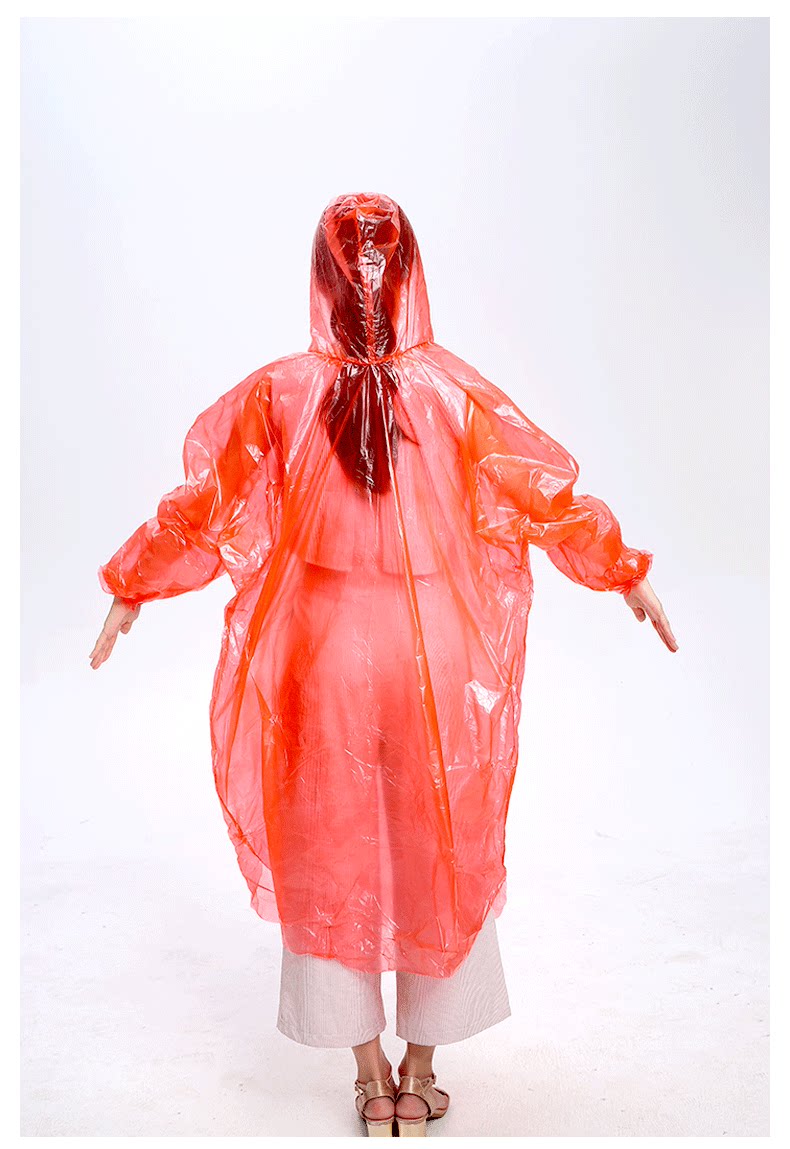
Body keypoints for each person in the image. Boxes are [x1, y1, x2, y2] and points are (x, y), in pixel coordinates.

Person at [90, 191, 678, 1137]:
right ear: (409, 281)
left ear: (321, 285)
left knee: (331, 850)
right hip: (430, 656)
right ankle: (419, 1071)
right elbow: (542, 494)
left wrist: (132, 585)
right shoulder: (450, 393)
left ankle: (368, 1078)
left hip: (324, 654)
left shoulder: (282, 393)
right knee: (437, 837)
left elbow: (204, 506)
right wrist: (622, 571)